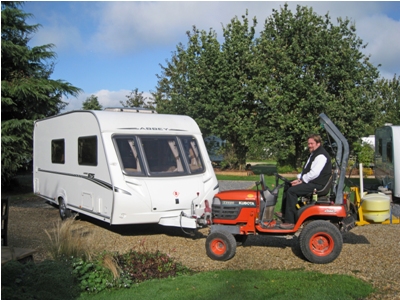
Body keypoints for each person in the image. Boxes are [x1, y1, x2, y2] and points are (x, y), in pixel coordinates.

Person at [279, 134, 332, 229]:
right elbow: (306, 171)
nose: (309, 145)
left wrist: (302, 181)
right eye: (308, 143)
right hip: (312, 182)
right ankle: (285, 213)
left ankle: (290, 221)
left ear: (318, 143)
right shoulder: (314, 154)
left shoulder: (321, 156)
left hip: (318, 185)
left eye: (312, 143)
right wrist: (299, 179)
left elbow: (314, 173)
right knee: (288, 184)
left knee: (292, 191)